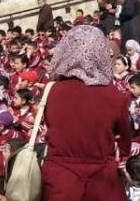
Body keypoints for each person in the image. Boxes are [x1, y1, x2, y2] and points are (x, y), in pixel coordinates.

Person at [42, 24, 132, 201]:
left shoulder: (52, 91)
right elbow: (125, 143)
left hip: (60, 181)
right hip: (101, 181)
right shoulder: (114, 95)